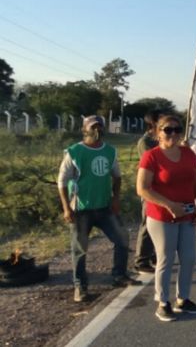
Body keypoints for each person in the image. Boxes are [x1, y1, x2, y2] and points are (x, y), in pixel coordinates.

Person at [57, 116, 141, 303]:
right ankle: (80, 287)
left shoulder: (110, 151)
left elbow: (117, 176)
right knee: (80, 249)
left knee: (122, 239)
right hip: (81, 209)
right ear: (84, 129)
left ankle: (119, 275)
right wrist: (66, 208)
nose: (98, 130)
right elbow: (62, 182)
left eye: (100, 127)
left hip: (105, 207)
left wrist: (116, 198)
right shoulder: (74, 152)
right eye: (93, 126)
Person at [137, 115, 196, 321]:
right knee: (166, 258)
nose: (173, 134)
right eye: (167, 130)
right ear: (158, 133)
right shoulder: (151, 156)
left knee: (189, 258)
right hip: (161, 217)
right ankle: (163, 302)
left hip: (187, 214)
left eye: (177, 129)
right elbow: (142, 188)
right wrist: (169, 205)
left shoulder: (187, 154)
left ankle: (183, 298)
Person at [134, 109, 160, 273]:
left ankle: (153, 255)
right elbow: (153, 161)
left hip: (162, 187)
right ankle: (141, 260)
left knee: (158, 224)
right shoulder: (145, 142)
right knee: (147, 224)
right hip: (149, 188)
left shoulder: (159, 139)